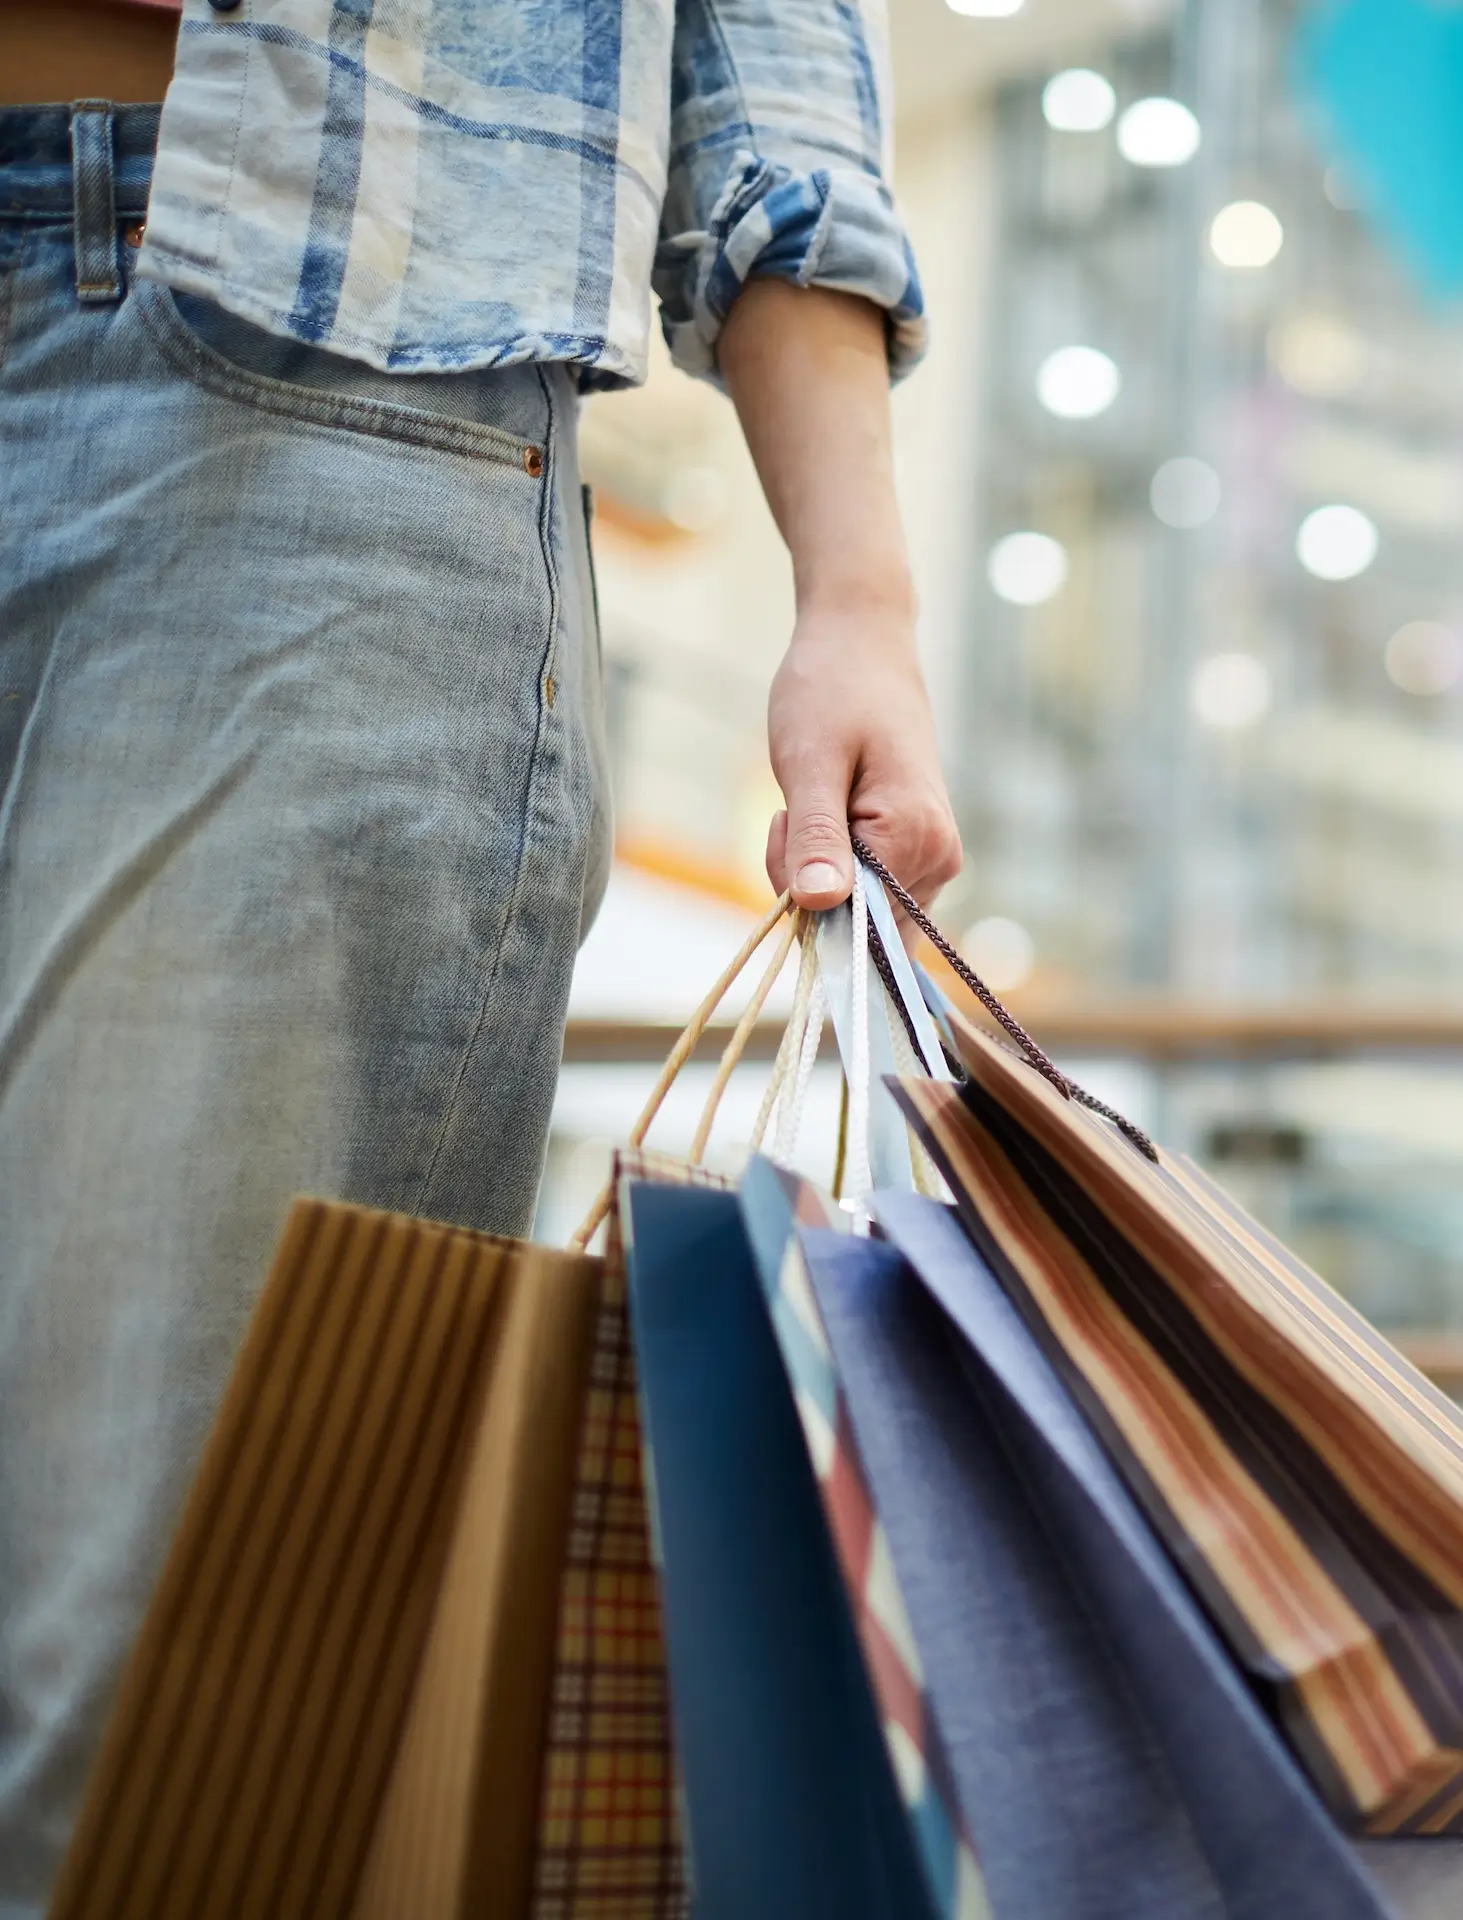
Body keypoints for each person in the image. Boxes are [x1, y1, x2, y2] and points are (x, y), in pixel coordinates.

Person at [0, 0, 962, 1906]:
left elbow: (769, 72)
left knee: (130, 1720)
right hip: (286, 405)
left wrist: (855, 592)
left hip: (300, 363)